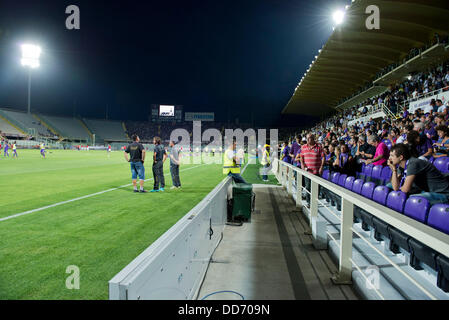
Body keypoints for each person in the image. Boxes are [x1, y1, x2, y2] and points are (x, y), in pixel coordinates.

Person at [300, 134, 325, 206]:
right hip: (307, 171)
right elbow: (301, 157)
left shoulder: (319, 147)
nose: (308, 140)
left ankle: (314, 202)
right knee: (308, 187)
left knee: (317, 188)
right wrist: (302, 165)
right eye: (307, 138)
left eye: (309, 138)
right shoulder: (303, 147)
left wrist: (321, 167)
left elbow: (323, 157)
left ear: (313, 138)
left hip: (317, 171)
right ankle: (308, 202)